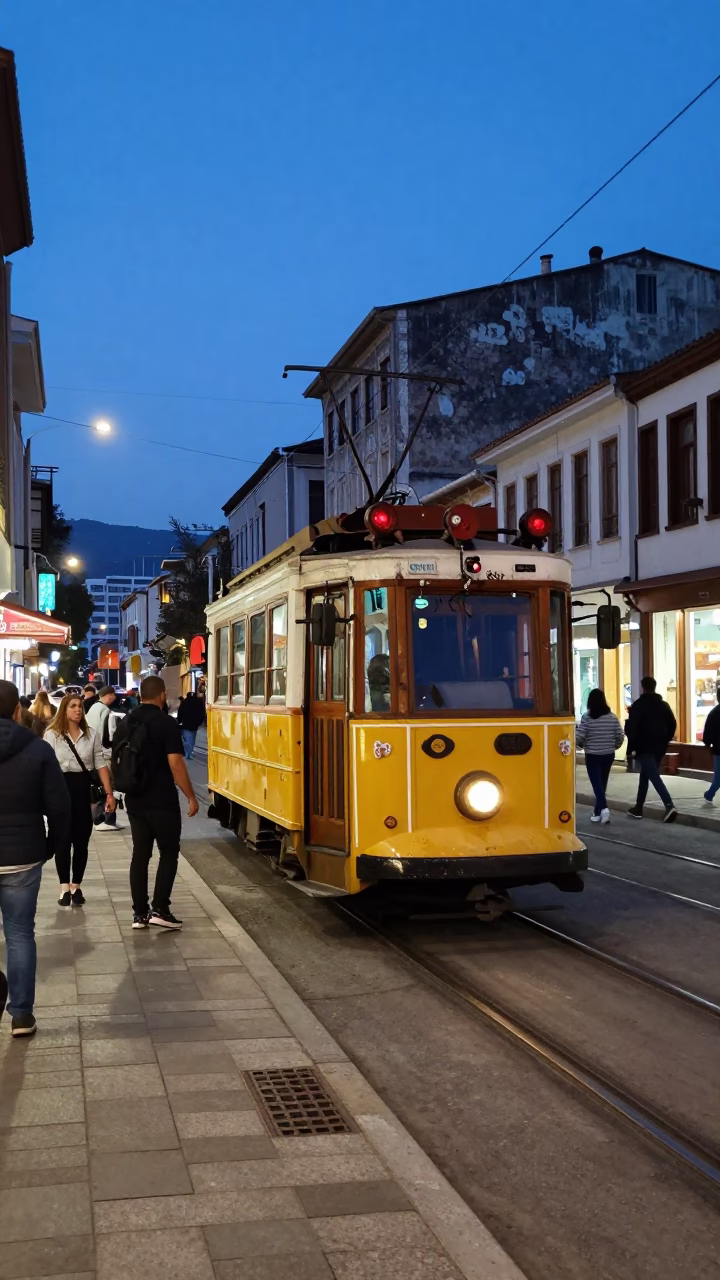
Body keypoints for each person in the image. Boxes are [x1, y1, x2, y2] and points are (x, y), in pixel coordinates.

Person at [0, 679, 71, 1037]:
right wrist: (50, 849)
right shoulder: (38, 749)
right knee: (19, 934)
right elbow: (60, 808)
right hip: (23, 856)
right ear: (18, 710)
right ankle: (22, 1015)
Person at [112, 674, 198, 930]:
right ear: (161, 694)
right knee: (169, 852)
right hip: (162, 799)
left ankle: (139, 914)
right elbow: (175, 764)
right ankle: (160, 908)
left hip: (135, 799)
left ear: (141, 694)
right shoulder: (165, 723)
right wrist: (191, 796)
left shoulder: (127, 721)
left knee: (140, 855)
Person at [45, 694, 116, 906]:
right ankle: (63, 888)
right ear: (64, 710)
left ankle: (76, 885)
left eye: (79, 707)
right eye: (73, 706)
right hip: (60, 790)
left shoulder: (90, 734)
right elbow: (47, 767)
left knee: (81, 841)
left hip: (83, 791)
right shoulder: (52, 735)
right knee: (62, 840)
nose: (78, 710)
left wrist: (109, 793)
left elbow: (100, 763)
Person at [625, 676, 678, 822]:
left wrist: (632, 748)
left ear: (643, 688)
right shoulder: (663, 705)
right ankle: (638, 808)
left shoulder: (638, 705)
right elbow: (673, 724)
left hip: (644, 746)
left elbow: (632, 729)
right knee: (646, 774)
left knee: (653, 776)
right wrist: (666, 739)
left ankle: (669, 805)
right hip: (659, 746)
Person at [576, 689, 624, 823]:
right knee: (602, 783)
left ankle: (604, 809)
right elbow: (620, 736)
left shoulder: (587, 717)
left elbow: (580, 736)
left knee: (597, 784)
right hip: (608, 755)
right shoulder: (612, 717)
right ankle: (597, 813)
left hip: (592, 755)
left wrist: (575, 744)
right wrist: (614, 747)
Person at [86, 686, 120, 830]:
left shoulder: (93, 708)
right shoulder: (106, 711)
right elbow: (107, 734)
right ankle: (107, 819)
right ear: (110, 695)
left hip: (93, 750)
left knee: (99, 784)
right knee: (110, 784)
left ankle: (99, 817)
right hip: (104, 752)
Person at [703, 687, 720, 803]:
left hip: (719, 749)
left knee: (718, 776)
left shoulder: (714, 713)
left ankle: (710, 794)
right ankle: (710, 793)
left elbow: (708, 732)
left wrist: (707, 745)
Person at [177, 689, 205, 759]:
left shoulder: (184, 702)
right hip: (194, 725)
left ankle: (187, 753)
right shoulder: (199, 702)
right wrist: (199, 723)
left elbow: (180, 712)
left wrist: (179, 721)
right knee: (192, 739)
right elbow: (202, 713)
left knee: (187, 739)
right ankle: (188, 752)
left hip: (185, 724)